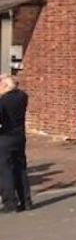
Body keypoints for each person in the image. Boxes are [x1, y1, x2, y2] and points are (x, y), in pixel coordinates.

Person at [0, 74, 30, 212]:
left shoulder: (3, 101)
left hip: (5, 138)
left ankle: (10, 203)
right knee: (21, 168)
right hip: (20, 136)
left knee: (5, 170)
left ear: (5, 86)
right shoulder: (23, 96)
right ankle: (26, 201)